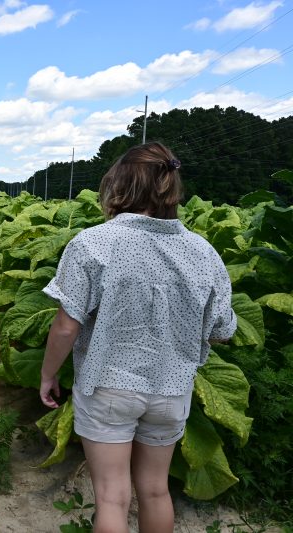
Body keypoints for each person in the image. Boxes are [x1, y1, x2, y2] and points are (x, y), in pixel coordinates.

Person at [39, 141, 237, 533]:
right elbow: (221, 330)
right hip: (171, 389)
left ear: (119, 187)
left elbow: (65, 325)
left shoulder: (93, 243)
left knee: (113, 497)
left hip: (109, 387)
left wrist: (47, 375)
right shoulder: (203, 252)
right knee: (155, 492)